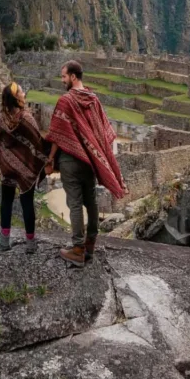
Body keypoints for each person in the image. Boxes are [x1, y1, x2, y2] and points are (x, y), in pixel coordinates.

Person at [45, 60, 128, 266]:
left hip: (70, 160)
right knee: (90, 201)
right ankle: (90, 245)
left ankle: (77, 249)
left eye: (64, 76)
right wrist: (95, 151)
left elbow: (56, 134)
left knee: (74, 203)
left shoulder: (66, 101)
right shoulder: (93, 99)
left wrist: (49, 159)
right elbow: (104, 132)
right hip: (90, 160)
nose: (62, 80)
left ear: (73, 77)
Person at [0, 82, 47, 253]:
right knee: (27, 203)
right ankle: (31, 243)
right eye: (21, 91)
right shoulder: (26, 118)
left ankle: (4, 240)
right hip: (25, 169)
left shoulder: (0, 118)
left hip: (7, 168)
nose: (23, 92)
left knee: (6, 201)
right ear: (17, 97)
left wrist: (4, 157)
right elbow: (38, 143)